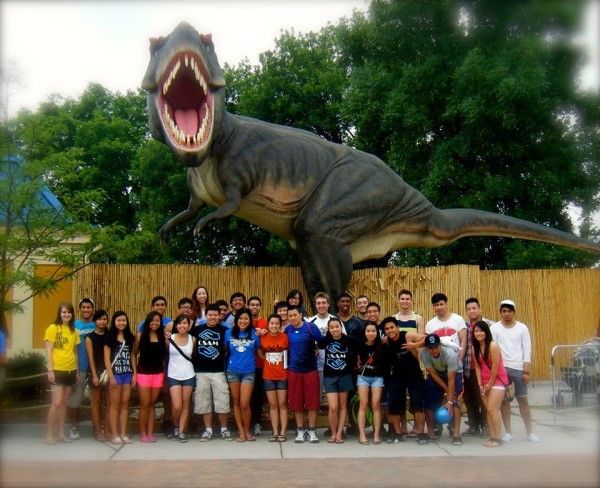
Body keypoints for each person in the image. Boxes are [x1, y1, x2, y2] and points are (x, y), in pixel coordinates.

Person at [491, 299, 539, 442]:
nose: (506, 314)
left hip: (519, 368)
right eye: (504, 311)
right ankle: (508, 432)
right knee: (504, 401)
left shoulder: (522, 328)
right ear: (500, 312)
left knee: (523, 399)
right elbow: (494, 349)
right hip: (502, 368)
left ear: (514, 312)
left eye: (509, 311)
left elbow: (527, 348)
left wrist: (527, 371)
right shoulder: (494, 328)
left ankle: (530, 432)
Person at [381, 316, 427, 444]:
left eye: (392, 327)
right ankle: (397, 432)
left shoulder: (407, 336)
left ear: (397, 327)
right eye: (387, 329)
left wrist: (415, 345)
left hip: (414, 375)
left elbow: (428, 339)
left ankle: (421, 433)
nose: (390, 331)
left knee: (417, 403)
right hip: (397, 376)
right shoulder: (385, 341)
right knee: (394, 404)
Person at [191, 303, 232, 441]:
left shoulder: (225, 330)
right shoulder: (196, 329)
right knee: (204, 401)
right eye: (210, 315)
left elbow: (227, 348)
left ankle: (224, 429)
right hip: (200, 371)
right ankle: (208, 430)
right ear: (206, 316)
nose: (213, 317)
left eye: (215, 315)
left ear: (219, 316)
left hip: (219, 370)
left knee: (223, 400)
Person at [285, 305, 325, 443]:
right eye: (290, 316)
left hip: (310, 370)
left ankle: (312, 431)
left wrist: (317, 349)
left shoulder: (310, 327)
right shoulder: (288, 330)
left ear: (300, 315)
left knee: (312, 401)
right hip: (294, 370)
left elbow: (322, 342)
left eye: (294, 315)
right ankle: (300, 430)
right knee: (296, 402)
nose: (292, 318)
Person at [44, 302, 80, 445]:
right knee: (56, 403)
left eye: (69, 312)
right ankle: (49, 435)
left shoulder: (74, 331)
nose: (66, 314)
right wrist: (50, 370)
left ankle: (60, 434)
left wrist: (76, 370)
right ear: (59, 313)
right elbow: (48, 350)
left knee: (64, 403)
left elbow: (75, 352)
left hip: (70, 370)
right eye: (64, 312)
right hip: (57, 370)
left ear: (72, 314)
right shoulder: (52, 328)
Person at [224, 307, 260, 442]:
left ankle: (247, 430)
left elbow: (261, 352)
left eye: (246, 318)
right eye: (240, 318)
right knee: (236, 402)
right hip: (232, 370)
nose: (243, 321)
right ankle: (241, 431)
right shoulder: (228, 333)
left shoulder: (254, 334)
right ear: (236, 320)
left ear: (250, 320)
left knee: (244, 403)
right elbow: (224, 351)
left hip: (248, 372)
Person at [421, 333, 464, 445]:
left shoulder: (450, 354)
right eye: (430, 348)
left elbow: (451, 380)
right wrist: (445, 389)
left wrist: (449, 400)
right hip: (437, 375)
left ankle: (456, 434)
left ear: (440, 345)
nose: (434, 350)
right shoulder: (424, 354)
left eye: (436, 347)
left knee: (455, 401)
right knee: (428, 401)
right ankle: (430, 432)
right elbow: (433, 374)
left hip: (454, 373)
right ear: (426, 348)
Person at [392, 289, 424, 434]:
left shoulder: (418, 319)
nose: (405, 301)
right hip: (398, 364)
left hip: (413, 362)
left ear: (411, 301)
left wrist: (415, 348)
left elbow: (423, 340)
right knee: (400, 398)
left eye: (407, 299)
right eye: (402, 299)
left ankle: (417, 428)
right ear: (398, 301)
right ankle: (403, 428)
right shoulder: (394, 319)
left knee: (415, 397)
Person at [320, 317, 357, 444]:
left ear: (341, 327)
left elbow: (360, 349)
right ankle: (333, 432)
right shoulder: (325, 341)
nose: (335, 329)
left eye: (337, 326)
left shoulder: (349, 340)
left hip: (345, 376)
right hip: (329, 376)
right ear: (328, 329)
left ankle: (340, 433)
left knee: (342, 406)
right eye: (332, 327)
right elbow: (313, 345)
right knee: (333, 407)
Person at [473, 320, 508, 448]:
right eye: (476, 331)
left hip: (496, 381)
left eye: (481, 330)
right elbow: (477, 366)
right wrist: (480, 384)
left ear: (486, 332)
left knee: (493, 409)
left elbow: (495, 366)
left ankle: (498, 438)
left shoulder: (493, 345)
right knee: (488, 410)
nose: (479, 333)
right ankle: (492, 436)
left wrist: (490, 384)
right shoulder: (475, 347)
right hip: (484, 382)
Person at [133, 311, 167, 443]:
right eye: (152, 320)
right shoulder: (140, 336)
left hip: (158, 373)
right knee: (144, 404)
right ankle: (142, 432)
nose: (155, 323)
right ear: (148, 321)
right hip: (143, 373)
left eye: (158, 321)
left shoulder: (162, 337)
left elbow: (164, 358)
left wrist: (164, 374)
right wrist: (135, 372)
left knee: (152, 404)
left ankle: (150, 432)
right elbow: (133, 354)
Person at [104, 311, 136, 445]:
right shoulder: (109, 337)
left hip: (127, 374)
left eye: (124, 320)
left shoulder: (130, 337)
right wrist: (111, 377)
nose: (121, 323)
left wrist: (135, 373)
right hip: (115, 374)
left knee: (124, 405)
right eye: (119, 320)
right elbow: (106, 358)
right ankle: (114, 434)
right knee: (114, 405)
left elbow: (132, 356)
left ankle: (123, 434)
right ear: (114, 322)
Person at [463, 297, 493, 437]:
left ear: (480, 309)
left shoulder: (490, 325)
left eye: (474, 308)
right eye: (469, 309)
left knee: (483, 396)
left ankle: (487, 424)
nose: (472, 311)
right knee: (469, 398)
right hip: (468, 367)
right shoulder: (464, 327)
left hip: (484, 368)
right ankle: (474, 424)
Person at [67, 297, 95, 440]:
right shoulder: (74, 326)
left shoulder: (97, 325)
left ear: (92, 309)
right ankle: (73, 426)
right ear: (79, 309)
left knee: (97, 400)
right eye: (83, 307)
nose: (86, 309)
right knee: (75, 399)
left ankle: (98, 426)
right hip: (80, 368)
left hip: (95, 369)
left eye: (89, 307)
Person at [259, 314, 289, 442]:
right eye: (272, 323)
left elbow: (288, 353)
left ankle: (283, 432)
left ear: (280, 325)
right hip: (268, 375)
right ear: (268, 324)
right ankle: (275, 431)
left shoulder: (285, 337)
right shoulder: (263, 337)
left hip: (282, 374)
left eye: (277, 323)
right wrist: (265, 359)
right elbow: (259, 351)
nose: (274, 326)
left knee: (282, 404)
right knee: (272, 405)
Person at [166, 314, 196, 442]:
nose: (182, 326)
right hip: (173, 375)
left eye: (185, 323)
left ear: (189, 325)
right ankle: (176, 426)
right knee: (177, 405)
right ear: (175, 325)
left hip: (189, 375)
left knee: (185, 405)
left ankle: (182, 431)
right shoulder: (169, 338)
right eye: (179, 323)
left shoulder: (193, 339)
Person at [356, 321, 385, 445]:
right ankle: (362, 434)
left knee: (375, 405)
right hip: (363, 377)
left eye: (373, 331)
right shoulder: (360, 345)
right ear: (364, 332)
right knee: (363, 404)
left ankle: (376, 434)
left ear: (377, 332)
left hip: (377, 378)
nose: (371, 333)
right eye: (368, 331)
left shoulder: (382, 345)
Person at [85, 309, 110, 442]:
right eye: (100, 319)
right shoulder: (90, 337)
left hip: (108, 372)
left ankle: (106, 429)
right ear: (95, 321)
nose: (102, 321)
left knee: (109, 403)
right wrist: (94, 375)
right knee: (96, 403)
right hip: (94, 371)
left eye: (105, 319)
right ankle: (97, 430)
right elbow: (90, 358)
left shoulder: (110, 334)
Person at [308, 292, 337, 401]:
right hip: (317, 363)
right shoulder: (310, 322)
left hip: (334, 362)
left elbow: (343, 339)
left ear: (328, 304)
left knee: (332, 394)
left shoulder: (335, 320)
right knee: (317, 392)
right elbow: (306, 341)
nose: (321, 305)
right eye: (318, 303)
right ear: (315, 305)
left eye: (324, 303)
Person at [248, 296, 268, 436]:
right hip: (247, 365)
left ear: (260, 307)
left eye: (257, 305)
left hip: (261, 365)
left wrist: (265, 332)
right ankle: (247, 423)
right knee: (247, 397)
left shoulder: (265, 323)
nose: (254, 307)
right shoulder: (244, 322)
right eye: (252, 305)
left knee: (258, 396)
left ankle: (257, 423)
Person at [425, 293, 467, 359]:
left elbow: (463, 341)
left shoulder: (458, 319)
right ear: (433, 306)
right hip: (438, 363)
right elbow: (428, 345)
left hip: (455, 360)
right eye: (436, 305)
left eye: (441, 304)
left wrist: (459, 360)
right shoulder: (430, 324)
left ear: (446, 304)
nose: (439, 307)